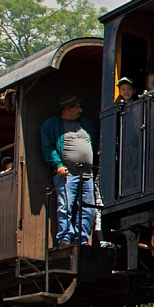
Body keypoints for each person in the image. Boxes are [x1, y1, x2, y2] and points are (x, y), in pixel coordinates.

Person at [40, 94, 96, 246]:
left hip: (87, 175)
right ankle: (65, 237)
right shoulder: (53, 124)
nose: (80, 110)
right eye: (77, 107)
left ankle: (82, 238)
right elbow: (48, 147)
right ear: (66, 109)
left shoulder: (85, 124)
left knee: (88, 208)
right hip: (67, 174)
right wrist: (58, 164)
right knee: (65, 207)